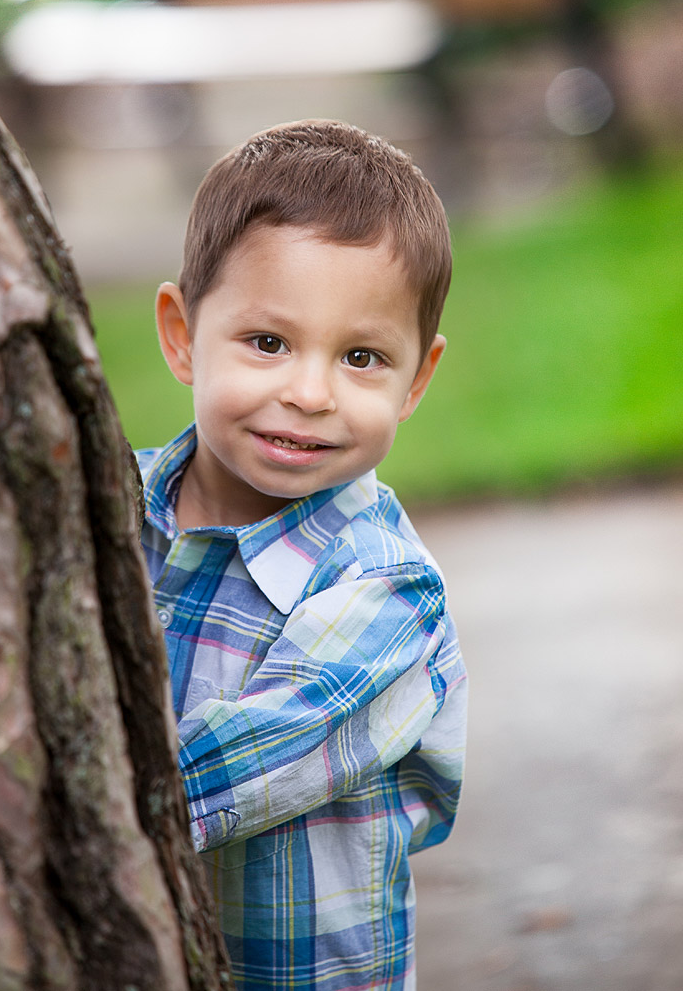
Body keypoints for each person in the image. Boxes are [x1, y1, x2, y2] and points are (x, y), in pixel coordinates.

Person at [137, 120, 468, 991]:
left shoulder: (384, 590)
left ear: (415, 382)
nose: (310, 394)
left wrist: (40, 813)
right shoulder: (105, 511)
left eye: (362, 357)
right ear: (180, 335)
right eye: (268, 343)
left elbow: (246, 762)